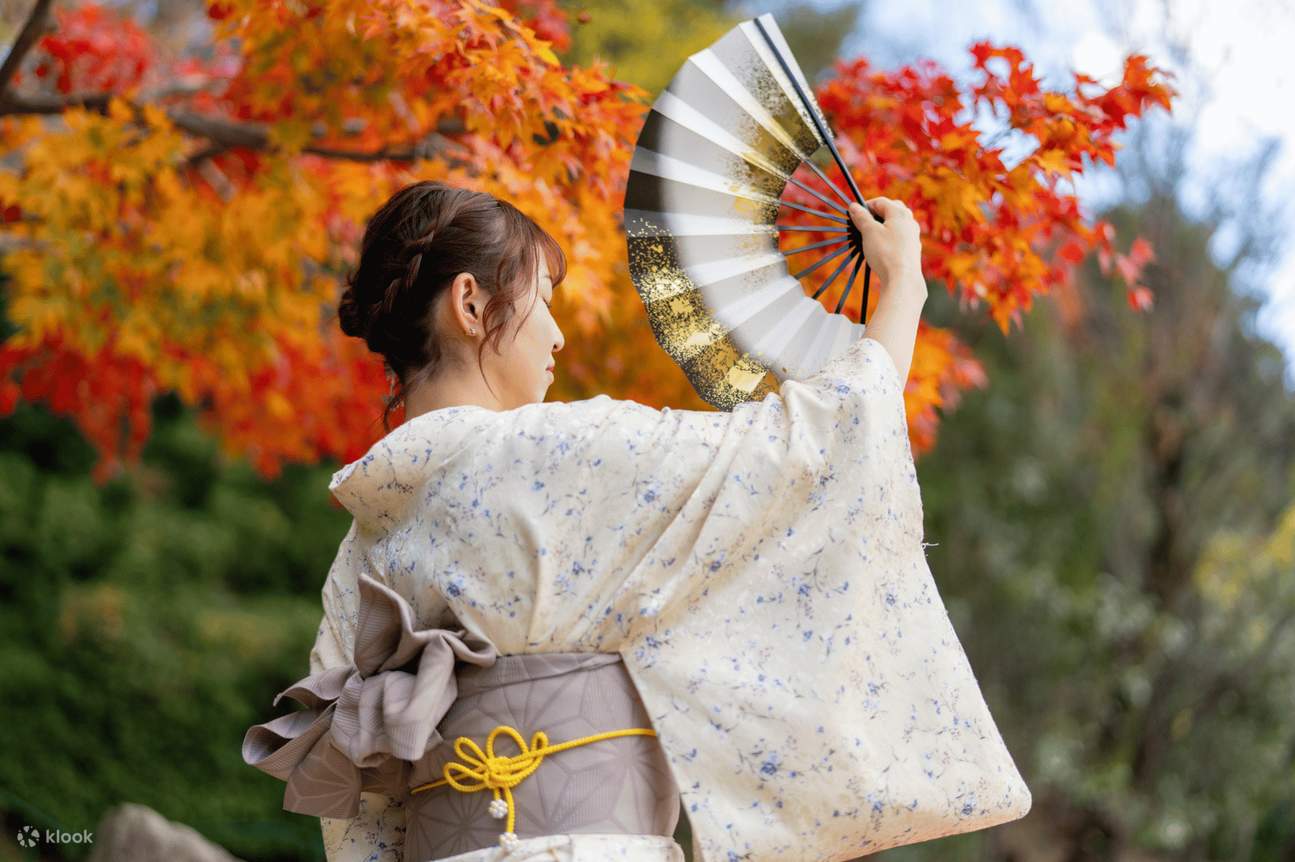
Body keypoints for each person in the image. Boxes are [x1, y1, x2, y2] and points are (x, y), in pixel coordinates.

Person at [242, 180, 1030, 862]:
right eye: (543, 303)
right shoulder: (550, 451)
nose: (556, 335)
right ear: (471, 303)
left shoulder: (365, 542)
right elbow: (806, 448)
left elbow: (360, 814)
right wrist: (902, 295)